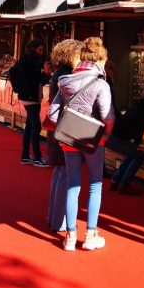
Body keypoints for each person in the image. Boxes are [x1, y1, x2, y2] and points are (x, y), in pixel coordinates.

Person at [47, 37, 115, 252]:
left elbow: (52, 113)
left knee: (72, 185)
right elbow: (108, 115)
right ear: (100, 59)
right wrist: (104, 135)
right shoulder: (100, 83)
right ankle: (91, 233)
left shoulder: (65, 81)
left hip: (69, 139)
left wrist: (62, 134)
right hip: (93, 140)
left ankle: (70, 235)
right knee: (95, 185)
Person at [44, 39, 84, 232]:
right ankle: (59, 220)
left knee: (60, 173)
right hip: (66, 127)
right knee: (66, 175)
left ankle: (54, 216)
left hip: (57, 127)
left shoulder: (58, 73)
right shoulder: (68, 75)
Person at [106, 91, 144, 195]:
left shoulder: (138, 106)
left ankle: (116, 180)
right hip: (117, 138)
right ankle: (124, 184)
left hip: (113, 135)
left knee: (134, 152)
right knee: (140, 154)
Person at [12, 39, 50, 167]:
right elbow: (31, 82)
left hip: (33, 97)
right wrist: (44, 73)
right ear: (33, 49)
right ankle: (37, 157)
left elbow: (39, 82)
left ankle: (25, 155)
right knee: (36, 126)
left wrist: (45, 74)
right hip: (29, 97)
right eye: (39, 50)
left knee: (30, 126)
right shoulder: (25, 63)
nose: (41, 52)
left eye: (42, 50)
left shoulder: (31, 62)